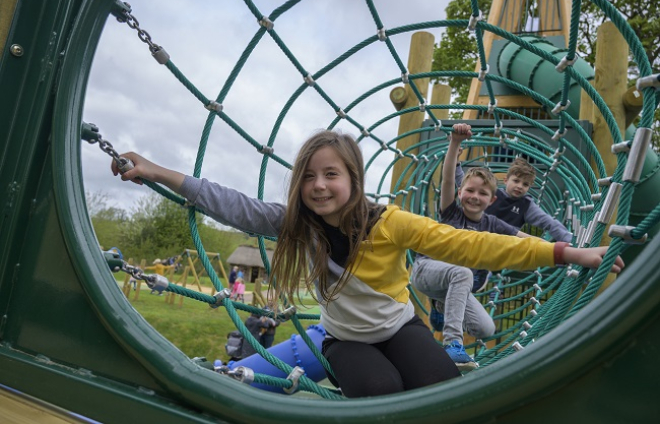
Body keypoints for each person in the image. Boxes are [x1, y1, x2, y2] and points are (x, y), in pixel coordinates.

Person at [112, 129, 623, 398]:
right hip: (345, 339)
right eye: (309, 176)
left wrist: (568, 253)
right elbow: (232, 203)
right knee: (381, 391)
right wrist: (157, 171)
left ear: (353, 179)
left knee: (439, 386)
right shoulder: (299, 223)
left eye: (331, 174)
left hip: (399, 325)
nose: (318, 185)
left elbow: (475, 247)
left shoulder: (391, 222)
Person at [411, 123, 535, 370]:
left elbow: (525, 239)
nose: (475, 196)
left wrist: (565, 251)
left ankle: (441, 306)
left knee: (485, 328)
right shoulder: (451, 213)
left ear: (492, 200)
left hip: (455, 283)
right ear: (460, 192)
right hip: (426, 270)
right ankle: (453, 345)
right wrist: (455, 143)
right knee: (463, 272)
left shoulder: (491, 223)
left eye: (482, 193)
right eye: (470, 190)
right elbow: (447, 178)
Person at [457, 157, 573, 243]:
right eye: (516, 181)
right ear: (506, 180)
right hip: (477, 237)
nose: (520, 186)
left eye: (525, 184)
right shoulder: (492, 194)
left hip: (505, 246)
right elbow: (465, 184)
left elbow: (548, 222)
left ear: (529, 187)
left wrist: (568, 241)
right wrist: (456, 165)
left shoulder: (526, 205)